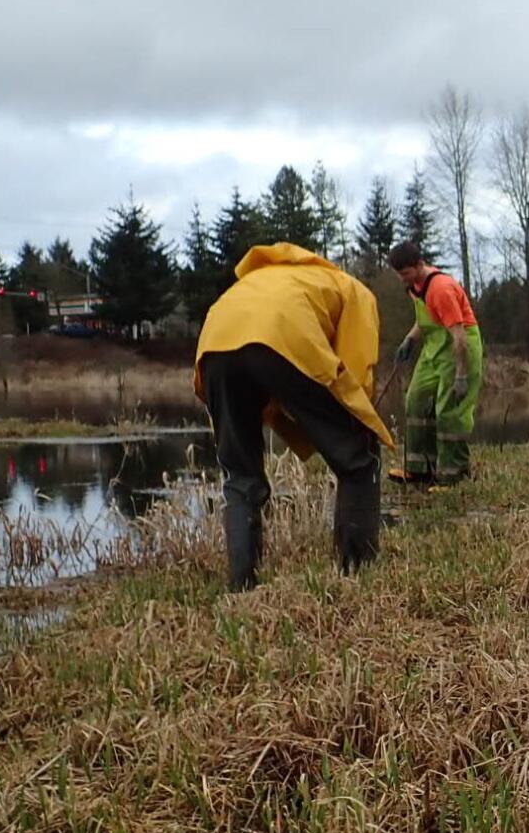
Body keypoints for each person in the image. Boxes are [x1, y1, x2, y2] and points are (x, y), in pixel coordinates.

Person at [193, 242, 390, 591]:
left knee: (240, 476)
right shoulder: (351, 289)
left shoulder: (259, 281)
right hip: (279, 337)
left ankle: (242, 585)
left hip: (213, 347)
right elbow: (355, 368)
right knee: (360, 459)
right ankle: (358, 572)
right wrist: (362, 423)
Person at [387, 241, 483, 484]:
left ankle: (455, 475)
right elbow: (426, 320)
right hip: (433, 350)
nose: (402, 279)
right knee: (415, 400)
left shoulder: (441, 289)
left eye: (405, 273)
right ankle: (419, 468)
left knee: (448, 412)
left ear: (420, 265)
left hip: (458, 349)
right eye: (398, 274)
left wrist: (461, 375)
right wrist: (409, 340)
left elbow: (459, 336)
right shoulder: (413, 287)